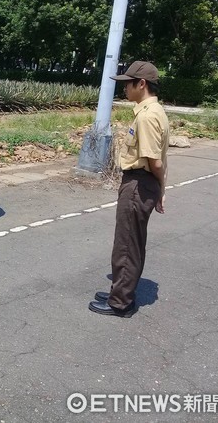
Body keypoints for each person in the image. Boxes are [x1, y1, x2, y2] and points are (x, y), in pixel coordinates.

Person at [88, 61, 169, 317]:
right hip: (142, 183)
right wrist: (159, 189)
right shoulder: (154, 111)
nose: (124, 88)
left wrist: (160, 188)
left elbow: (155, 162)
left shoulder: (147, 116)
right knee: (131, 240)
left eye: (128, 83)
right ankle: (120, 290)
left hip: (139, 183)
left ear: (141, 84)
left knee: (127, 243)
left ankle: (120, 302)